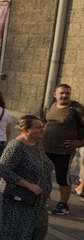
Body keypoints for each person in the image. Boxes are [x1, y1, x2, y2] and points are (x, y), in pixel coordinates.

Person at [0, 115, 53, 240]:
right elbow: (4, 169)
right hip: (15, 197)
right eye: (38, 127)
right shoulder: (16, 146)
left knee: (23, 228)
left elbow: (42, 166)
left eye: (42, 126)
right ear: (26, 130)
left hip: (33, 199)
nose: (42, 129)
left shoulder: (37, 144)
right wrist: (29, 185)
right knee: (11, 228)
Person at [42, 84, 84, 215]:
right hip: (46, 148)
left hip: (64, 151)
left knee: (62, 178)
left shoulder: (76, 108)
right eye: (62, 93)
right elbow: (45, 122)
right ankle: (43, 199)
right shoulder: (52, 106)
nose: (64, 95)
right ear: (55, 94)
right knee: (43, 175)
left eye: (67, 93)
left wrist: (80, 142)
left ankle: (63, 204)